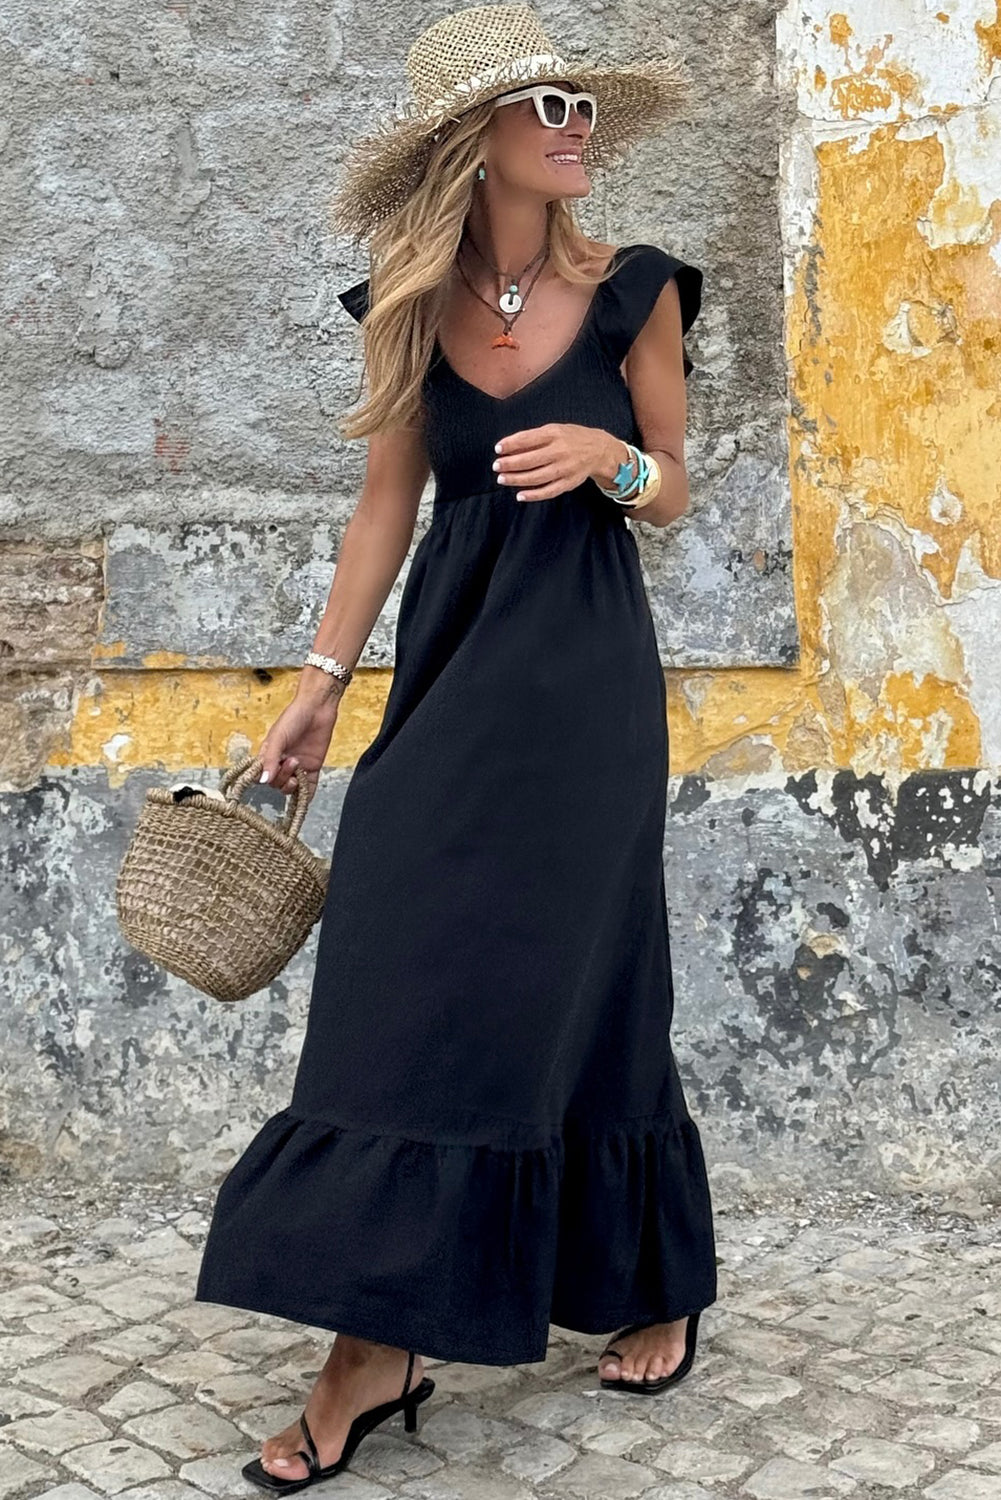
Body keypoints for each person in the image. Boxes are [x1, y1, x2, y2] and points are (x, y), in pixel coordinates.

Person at [194, 4, 719, 1490]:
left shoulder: (633, 293)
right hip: (449, 670)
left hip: (584, 684)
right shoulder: (409, 309)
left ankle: (629, 1283)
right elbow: (383, 510)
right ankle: (390, 1327)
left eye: (579, 102)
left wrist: (613, 459)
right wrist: (318, 686)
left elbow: (676, 486)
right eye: (544, 104)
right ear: (472, 140)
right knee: (396, 949)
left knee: (594, 965)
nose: (575, 122)